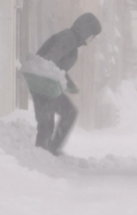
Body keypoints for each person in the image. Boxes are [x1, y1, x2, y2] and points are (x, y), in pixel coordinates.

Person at [32, 12, 102, 155]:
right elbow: (50, 60)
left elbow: (58, 66)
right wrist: (61, 79)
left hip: (46, 83)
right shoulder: (68, 38)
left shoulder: (72, 42)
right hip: (42, 82)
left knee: (60, 116)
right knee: (48, 123)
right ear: (86, 31)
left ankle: (48, 151)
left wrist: (68, 83)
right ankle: (43, 154)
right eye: (92, 35)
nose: (92, 39)